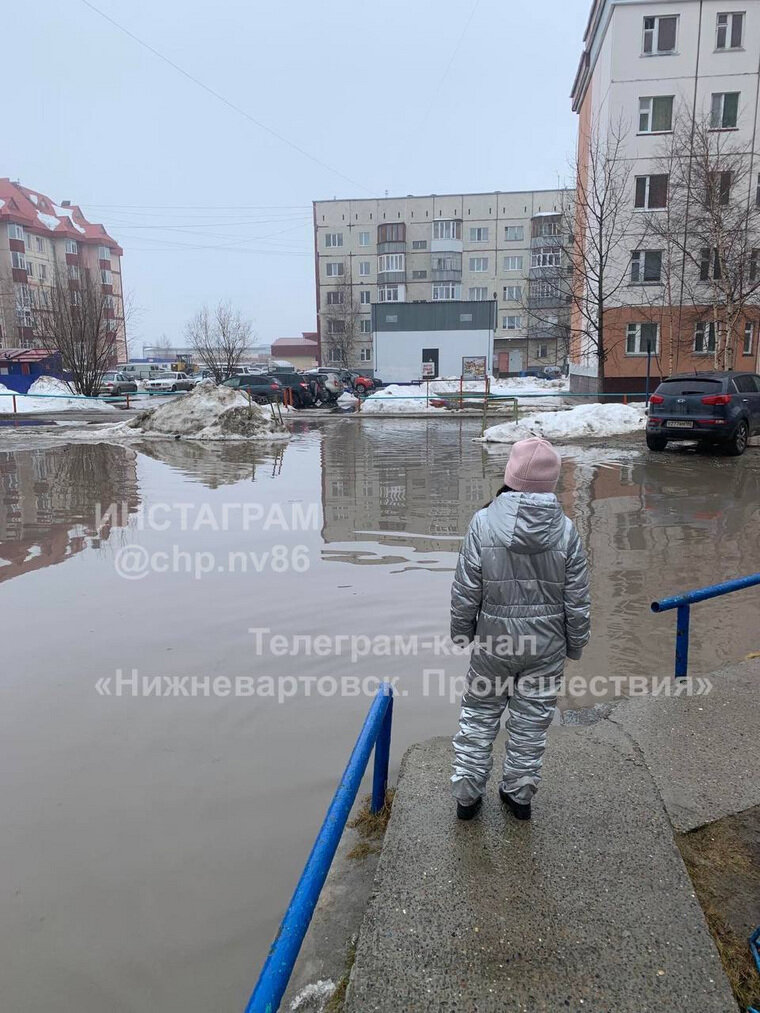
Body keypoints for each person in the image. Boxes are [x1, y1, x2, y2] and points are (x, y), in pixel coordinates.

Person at [450, 436, 590, 822]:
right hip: (546, 648)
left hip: (493, 646)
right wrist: (575, 644)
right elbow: (577, 598)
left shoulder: (483, 523)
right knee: (530, 725)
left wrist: (462, 632)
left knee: (478, 716)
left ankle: (466, 796)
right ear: (552, 482)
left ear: (510, 475)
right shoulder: (566, 531)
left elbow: (466, 588)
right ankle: (519, 797)